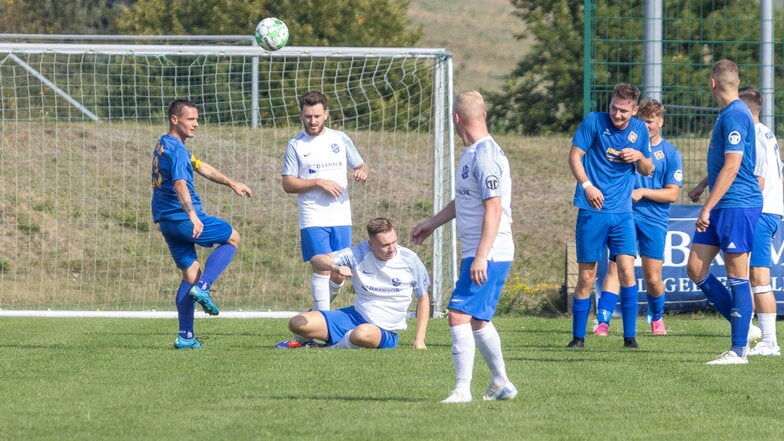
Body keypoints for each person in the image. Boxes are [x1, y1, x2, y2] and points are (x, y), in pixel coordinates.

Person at [411, 90, 517, 404]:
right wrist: (432, 222)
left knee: (457, 313)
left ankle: (461, 390)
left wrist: (482, 255)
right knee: (478, 319)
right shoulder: (471, 154)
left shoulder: (486, 155)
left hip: (490, 251)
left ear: (456, 119)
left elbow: (494, 209)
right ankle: (501, 383)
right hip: (480, 250)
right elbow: (465, 201)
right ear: (482, 116)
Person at [151, 99, 253, 349]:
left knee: (191, 273)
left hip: (166, 220)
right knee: (233, 237)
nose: (196, 124)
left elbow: (201, 167)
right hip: (183, 217)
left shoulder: (166, 143)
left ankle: (186, 336)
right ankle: (205, 288)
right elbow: (180, 183)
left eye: (197, 119)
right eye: (190, 119)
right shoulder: (176, 149)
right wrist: (193, 216)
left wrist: (231, 183)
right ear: (175, 119)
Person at [689, 85, 780, 357]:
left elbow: (756, 177)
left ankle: (768, 342)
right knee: (696, 268)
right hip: (745, 206)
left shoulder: (757, 133)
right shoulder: (750, 128)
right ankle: (752, 332)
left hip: (755, 209)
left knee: (757, 277)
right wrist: (705, 185)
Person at [567, 83, 654, 349]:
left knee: (627, 272)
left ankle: (630, 338)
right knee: (586, 276)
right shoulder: (594, 121)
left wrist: (639, 155)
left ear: (634, 110)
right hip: (592, 210)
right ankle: (578, 338)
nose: (617, 115)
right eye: (614, 108)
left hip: (623, 213)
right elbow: (574, 156)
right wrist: (587, 186)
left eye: (624, 111)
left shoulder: (639, 130)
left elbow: (648, 169)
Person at [593, 99, 683, 337]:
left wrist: (643, 192)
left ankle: (656, 317)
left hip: (654, 219)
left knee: (653, 277)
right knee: (615, 269)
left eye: (650, 121)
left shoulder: (671, 153)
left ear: (660, 122)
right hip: (625, 215)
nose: (646, 126)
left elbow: (673, 193)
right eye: (641, 121)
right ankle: (603, 322)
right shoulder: (625, 146)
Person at [279, 91, 369, 318]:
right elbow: (288, 183)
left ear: (326, 115)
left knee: (339, 273)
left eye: (317, 116)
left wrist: (360, 172)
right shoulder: (296, 145)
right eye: (308, 116)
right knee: (322, 266)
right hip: (313, 216)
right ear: (301, 115)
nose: (313, 121)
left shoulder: (340, 139)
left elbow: (360, 165)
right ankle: (325, 321)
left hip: (340, 216)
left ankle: (316, 314)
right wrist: (318, 182)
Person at [279, 218, 430, 349]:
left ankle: (330, 348)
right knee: (297, 322)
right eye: (385, 245)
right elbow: (316, 260)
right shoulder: (358, 253)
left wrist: (419, 340)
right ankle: (305, 343)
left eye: (394, 242)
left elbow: (423, 298)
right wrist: (335, 267)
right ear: (371, 244)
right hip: (353, 317)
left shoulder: (410, 260)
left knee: (362, 333)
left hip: (384, 331)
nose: (391, 249)